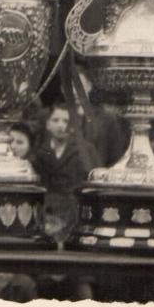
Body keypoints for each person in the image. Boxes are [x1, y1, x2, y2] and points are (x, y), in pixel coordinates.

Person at [32, 103, 99, 242]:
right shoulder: (39, 151)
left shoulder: (85, 150)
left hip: (73, 211)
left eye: (66, 121)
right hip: (46, 212)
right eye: (55, 120)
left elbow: (95, 179)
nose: (61, 125)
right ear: (48, 124)